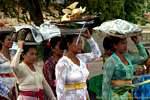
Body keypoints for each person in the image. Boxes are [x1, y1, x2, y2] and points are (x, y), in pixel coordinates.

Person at [55, 29, 101, 100]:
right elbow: (60, 89)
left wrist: (89, 38)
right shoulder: (63, 63)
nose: (80, 45)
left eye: (81, 42)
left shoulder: (81, 58)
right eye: (78, 42)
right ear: (68, 44)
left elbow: (97, 54)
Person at [102, 35, 148, 100]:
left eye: (126, 43)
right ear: (115, 45)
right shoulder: (111, 61)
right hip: (114, 96)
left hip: (126, 95)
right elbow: (105, 84)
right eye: (122, 43)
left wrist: (137, 42)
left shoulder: (128, 57)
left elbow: (144, 57)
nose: (125, 45)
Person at [0, 31, 17, 99]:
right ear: (1, 42)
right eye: (8, 40)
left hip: (14, 88)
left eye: (12, 40)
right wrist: (6, 91)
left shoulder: (13, 55)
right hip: (2, 92)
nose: (11, 42)